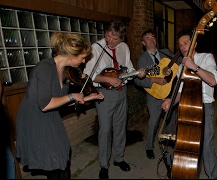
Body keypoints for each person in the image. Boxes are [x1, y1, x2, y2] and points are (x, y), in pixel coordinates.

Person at [15, 32, 104, 179]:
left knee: (62, 153)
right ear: (71, 56)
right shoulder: (44, 68)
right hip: (35, 119)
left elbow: (60, 102)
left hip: (50, 116)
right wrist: (72, 96)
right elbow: (45, 104)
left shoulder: (63, 72)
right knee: (54, 160)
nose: (83, 62)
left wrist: (86, 97)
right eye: (82, 58)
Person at [83, 20, 146, 179]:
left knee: (120, 127)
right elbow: (88, 75)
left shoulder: (124, 48)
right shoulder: (95, 48)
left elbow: (128, 68)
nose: (110, 40)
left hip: (121, 92)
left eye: (115, 38)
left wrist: (137, 73)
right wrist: (108, 79)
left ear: (121, 39)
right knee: (105, 130)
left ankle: (119, 158)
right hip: (104, 94)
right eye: (109, 35)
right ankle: (104, 165)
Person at [161, 29, 217, 179]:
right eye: (180, 45)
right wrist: (171, 101)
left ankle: (213, 176)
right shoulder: (181, 66)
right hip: (187, 106)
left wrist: (194, 67)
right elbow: (180, 91)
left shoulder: (206, 58)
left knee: (206, 146)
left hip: (204, 107)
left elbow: (213, 80)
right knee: (186, 146)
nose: (183, 46)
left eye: (186, 42)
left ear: (194, 43)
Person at [134, 29, 178, 160]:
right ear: (143, 43)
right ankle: (149, 147)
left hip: (169, 93)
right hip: (153, 95)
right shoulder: (142, 59)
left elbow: (179, 63)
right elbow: (137, 80)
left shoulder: (165, 53)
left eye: (153, 37)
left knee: (170, 120)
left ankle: (169, 141)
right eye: (147, 38)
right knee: (153, 123)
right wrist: (154, 80)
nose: (151, 39)